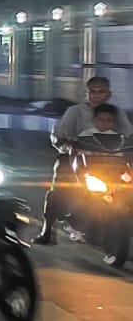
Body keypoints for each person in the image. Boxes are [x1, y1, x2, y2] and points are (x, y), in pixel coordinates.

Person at [39, 76, 133, 243]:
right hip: (77, 158)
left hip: (110, 160)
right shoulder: (75, 112)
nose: (96, 95)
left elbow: (128, 134)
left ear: (108, 94)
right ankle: (47, 230)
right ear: (87, 93)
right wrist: (66, 146)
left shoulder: (117, 113)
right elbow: (59, 134)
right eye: (93, 91)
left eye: (101, 91)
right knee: (58, 189)